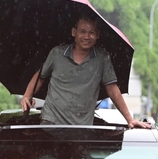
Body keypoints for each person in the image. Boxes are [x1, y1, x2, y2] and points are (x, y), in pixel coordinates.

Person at [20, 15, 150, 129]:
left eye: (91, 32)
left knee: (77, 157)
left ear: (97, 35)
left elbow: (112, 88)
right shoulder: (57, 53)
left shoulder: (102, 57)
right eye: (82, 32)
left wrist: (130, 119)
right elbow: (41, 76)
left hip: (82, 125)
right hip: (51, 122)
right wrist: (27, 95)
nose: (87, 36)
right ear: (74, 32)